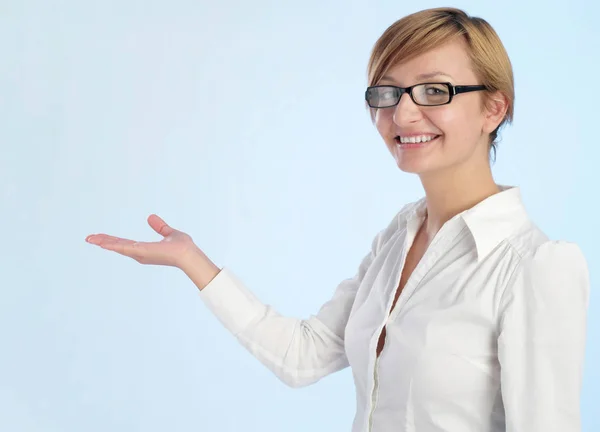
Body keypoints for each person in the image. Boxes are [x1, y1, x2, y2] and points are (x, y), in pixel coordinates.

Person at [85, 7, 590, 432]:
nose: (404, 114)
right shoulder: (400, 237)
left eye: (434, 91)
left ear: (493, 108)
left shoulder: (537, 267)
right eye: (386, 92)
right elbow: (302, 357)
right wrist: (191, 260)